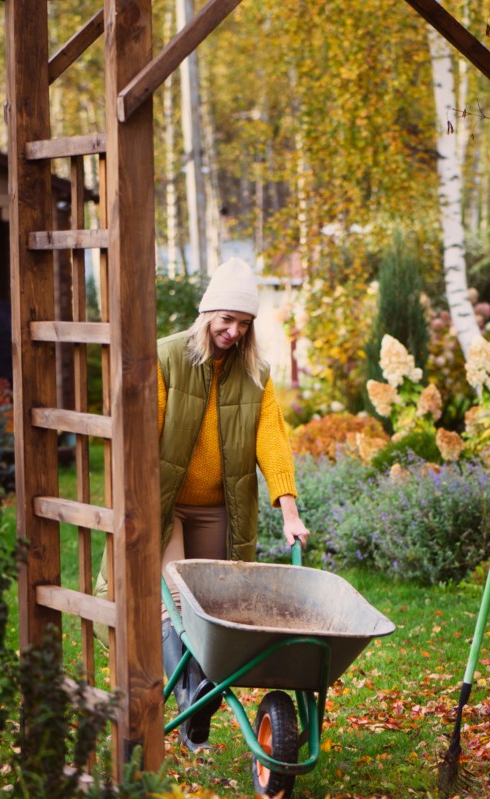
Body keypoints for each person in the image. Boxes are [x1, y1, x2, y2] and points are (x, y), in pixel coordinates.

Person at [158, 257, 310, 749]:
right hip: (165, 504)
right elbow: (140, 434)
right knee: (178, 598)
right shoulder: (166, 358)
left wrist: (289, 510)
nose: (234, 332)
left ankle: (196, 700)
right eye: (227, 320)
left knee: (212, 606)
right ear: (207, 315)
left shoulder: (254, 372)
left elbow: (271, 440)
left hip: (219, 506)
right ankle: (193, 699)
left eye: (244, 324)